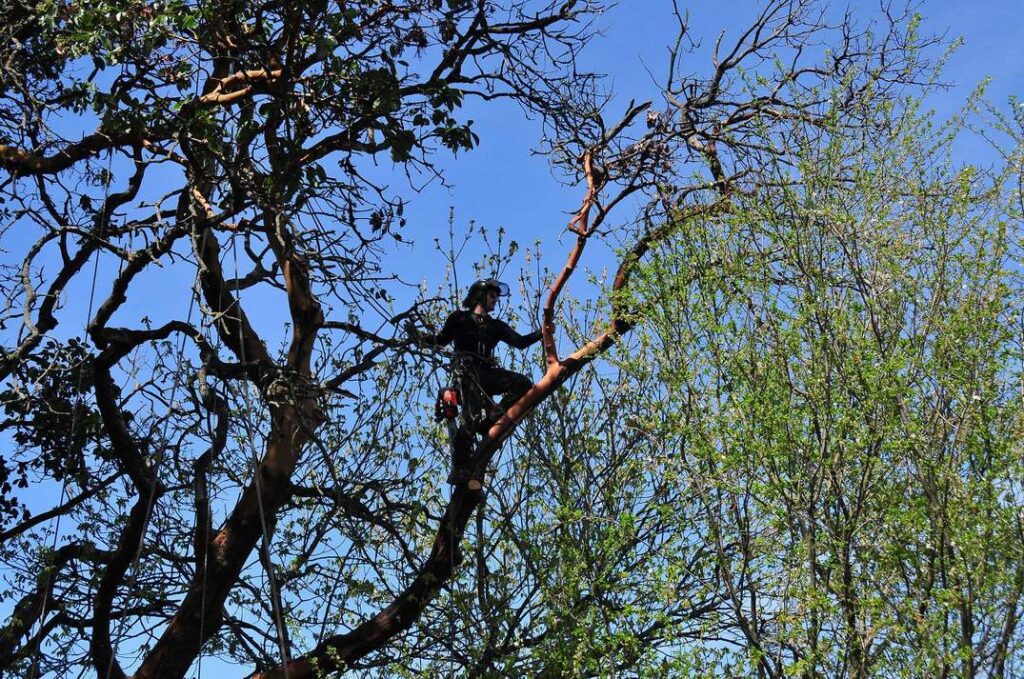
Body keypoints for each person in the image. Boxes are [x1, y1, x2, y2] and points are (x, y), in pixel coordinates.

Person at [418, 278, 541, 434]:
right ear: (479, 295)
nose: (495, 299)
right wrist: (419, 336)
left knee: (523, 384)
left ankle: (490, 421)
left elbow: (521, 342)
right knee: (472, 420)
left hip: (486, 373)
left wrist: (542, 332)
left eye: (497, 296)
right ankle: (454, 401)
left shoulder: (496, 326)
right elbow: (440, 340)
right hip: (467, 374)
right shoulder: (459, 318)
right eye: (491, 295)